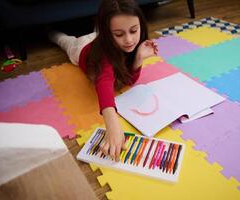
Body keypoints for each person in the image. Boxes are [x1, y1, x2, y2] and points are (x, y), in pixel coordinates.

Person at [49, 0, 158, 161]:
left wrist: (139, 58)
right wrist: (112, 124)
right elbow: (104, 82)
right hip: (81, 48)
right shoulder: (103, 57)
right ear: (109, 35)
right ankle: (49, 32)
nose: (129, 40)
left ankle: (101, 31)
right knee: (64, 40)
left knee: (104, 33)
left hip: (101, 37)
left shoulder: (131, 42)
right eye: (120, 34)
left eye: (134, 30)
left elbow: (129, 80)